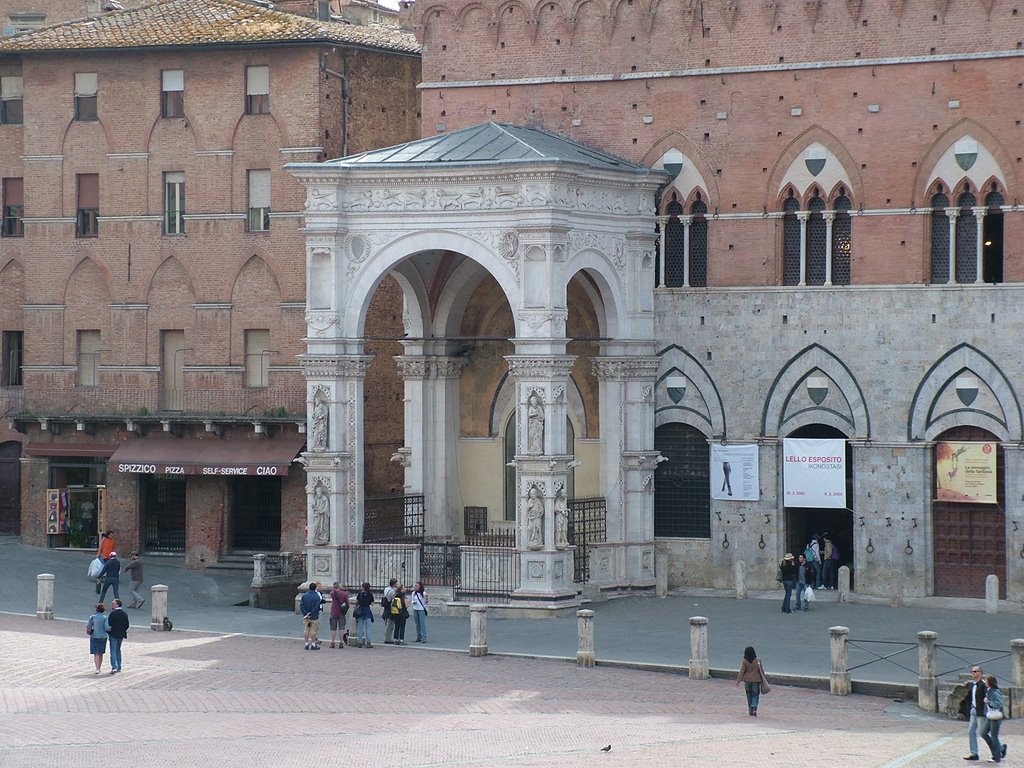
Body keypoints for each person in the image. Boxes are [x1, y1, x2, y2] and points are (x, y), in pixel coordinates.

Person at [735, 646, 768, 716]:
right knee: (755, 694)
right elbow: (761, 670)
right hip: (756, 681)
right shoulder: (758, 660)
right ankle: (754, 705)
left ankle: (750, 709)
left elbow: (742, 671)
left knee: (748, 695)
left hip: (747, 681)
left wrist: (738, 680)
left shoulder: (745, 661)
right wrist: (764, 679)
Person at [981, 674, 1006, 763]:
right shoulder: (989, 690)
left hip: (996, 716)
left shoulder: (995, 692)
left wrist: (989, 702)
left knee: (994, 736)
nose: (985, 683)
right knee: (983, 733)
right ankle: (1000, 749)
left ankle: (996, 756)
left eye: (986, 681)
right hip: (990, 715)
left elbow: (998, 704)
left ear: (990, 682)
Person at [965, 665, 987, 761]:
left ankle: (1000, 747)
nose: (973, 673)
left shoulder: (983, 685)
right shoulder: (973, 685)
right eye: (972, 671)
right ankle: (974, 753)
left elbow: (988, 696)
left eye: (975, 671)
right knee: (971, 731)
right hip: (974, 710)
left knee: (984, 733)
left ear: (980, 673)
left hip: (981, 712)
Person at [107, 598, 129, 674]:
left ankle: (114, 667)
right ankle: (119, 666)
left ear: (117, 604)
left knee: (113, 650)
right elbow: (127, 625)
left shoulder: (112, 614)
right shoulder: (124, 613)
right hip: (121, 634)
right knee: (118, 650)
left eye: (113, 603)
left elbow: (109, 624)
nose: (112, 605)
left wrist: (109, 631)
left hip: (113, 634)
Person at [299, 581, 324, 650]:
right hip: (314, 616)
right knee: (313, 630)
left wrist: (306, 613)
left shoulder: (304, 596)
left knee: (306, 629)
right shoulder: (316, 596)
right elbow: (316, 607)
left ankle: (306, 643)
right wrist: (311, 613)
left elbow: (301, 605)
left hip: (306, 616)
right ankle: (313, 644)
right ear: (315, 588)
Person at [87, 602, 109, 675]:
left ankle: (97, 668)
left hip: (94, 636)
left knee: (96, 653)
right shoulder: (105, 618)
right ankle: (100, 666)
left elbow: (88, 626)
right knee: (101, 652)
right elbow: (107, 628)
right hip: (103, 636)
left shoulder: (92, 617)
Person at [328, 581, 349, 649]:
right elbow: (347, 604)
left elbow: (333, 592)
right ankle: (341, 642)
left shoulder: (332, 593)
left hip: (334, 611)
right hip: (341, 612)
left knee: (333, 628)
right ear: (339, 586)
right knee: (341, 628)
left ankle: (333, 642)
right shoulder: (344, 593)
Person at [354, 582, 375, 648]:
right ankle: (368, 642)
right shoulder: (370, 594)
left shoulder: (360, 594)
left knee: (360, 627)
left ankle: (359, 642)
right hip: (367, 611)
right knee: (368, 628)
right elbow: (372, 603)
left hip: (360, 611)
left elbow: (357, 601)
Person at [526, 485, 544, 550]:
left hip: (537, 518)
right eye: (530, 494)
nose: (531, 495)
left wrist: (540, 513)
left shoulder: (538, 501)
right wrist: (529, 507)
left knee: (537, 529)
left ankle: (537, 541)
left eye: (533, 494)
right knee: (529, 528)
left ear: (535, 494)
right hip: (531, 518)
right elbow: (526, 509)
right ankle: (530, 541)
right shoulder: (530, 500)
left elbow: (542, 509)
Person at [382, 577, 398, 644]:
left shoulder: (386, 589)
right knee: (390, 624)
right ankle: (388, 638)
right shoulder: (392, 591)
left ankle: (386, 636)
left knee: (386, 622)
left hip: (386, 606)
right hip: (390, 606)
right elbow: (394, 599)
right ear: (394, 584)